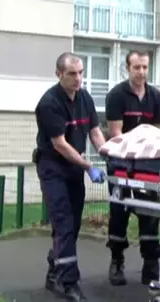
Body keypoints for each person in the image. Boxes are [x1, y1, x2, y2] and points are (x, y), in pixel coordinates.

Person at [34, 52, 107, 301]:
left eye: (81, 73)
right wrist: (89, 166)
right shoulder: (49, 103)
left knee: (73, 224)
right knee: (64, 222)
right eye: (72, 74)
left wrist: (110, 155)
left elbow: (95, 132)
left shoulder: (85, 98)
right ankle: (68, 282)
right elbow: (60, 145)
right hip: (53, 168)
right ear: (59, 74)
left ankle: (54, 268)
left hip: (74, 169)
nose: (78, 79)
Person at [104, 50, 160, 286]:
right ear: (127, 68)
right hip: (120, 161)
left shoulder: (155, 96)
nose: (141, 72)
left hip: (146, 164)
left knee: (149, 212)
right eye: (136, 67)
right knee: (119, 211)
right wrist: (133, 155)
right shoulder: (117, 95)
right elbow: (116, 134)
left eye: (145, 67)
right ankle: (117, 260)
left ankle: (151, 263)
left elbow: (156, 133)